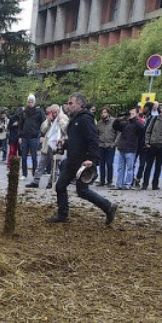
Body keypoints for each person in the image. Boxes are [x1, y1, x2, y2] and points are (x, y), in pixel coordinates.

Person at [48, 91, 118, 226]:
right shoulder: (74, 119)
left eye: (70, 103)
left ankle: (108, 207)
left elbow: (93, 140)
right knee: (60, 186)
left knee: (82, 191)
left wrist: (91, 160)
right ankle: (62, 215)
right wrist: (65, 143)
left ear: (79, 104)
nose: (68, 106)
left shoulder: (85, 119)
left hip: (82, 162)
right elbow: (76, 141)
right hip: (72, 160)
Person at [29, 104, 67, 188]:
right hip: (47, 144)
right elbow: (42, 129)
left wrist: (60, 121)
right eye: (52, 112)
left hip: (57, 145)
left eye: (55, 112)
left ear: (58, 111)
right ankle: (36, 181)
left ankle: (51, 182)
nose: (53, 114)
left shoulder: (64, 117)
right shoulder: (49, 117)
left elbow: (66, 130)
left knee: (55, 165)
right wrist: (49, 122)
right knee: (41, 163)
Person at [113, 107, 143, 189]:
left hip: (131, 148)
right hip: (122, 147)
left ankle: (128, 184)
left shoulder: (137, 123)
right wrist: (118, 119)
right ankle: (119, 184)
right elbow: (115, 127)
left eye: (133, 113)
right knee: (120, 168)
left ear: (137, 114)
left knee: (130, 168)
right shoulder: (125, 123)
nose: (130, 115)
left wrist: (135, 119)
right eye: (130, 113)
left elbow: (142, 128)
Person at [19, 95, 43, 178]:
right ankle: (24, 174)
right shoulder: (24, 111)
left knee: (34, 156)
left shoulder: (39, 111)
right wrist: (20, 136)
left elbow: (44, 123)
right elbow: (21, 124)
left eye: (31, 102)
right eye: (29, 102)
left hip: (34, 137)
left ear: (34, 102)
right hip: (25, 137)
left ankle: (34, 174)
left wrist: (42, 135)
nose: (30, 103)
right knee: (24, 156)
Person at [96, 107, 117, 186]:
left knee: (109, 164)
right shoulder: (99, 123)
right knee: (101, 164)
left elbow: (118, 133)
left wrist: (115, 143)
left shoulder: (114, 121)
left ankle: (109, 181)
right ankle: (102, 180)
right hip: (101, 145)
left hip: (110, 145)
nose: (103, 114)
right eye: (102, 113)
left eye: (105, 112)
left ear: (108, 113)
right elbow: (96, 134)